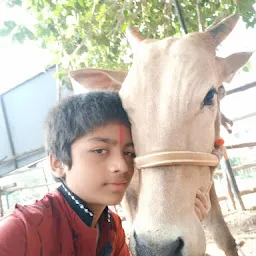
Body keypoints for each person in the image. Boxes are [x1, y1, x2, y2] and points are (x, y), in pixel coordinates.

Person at [0, 91, 210, 255]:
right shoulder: (21, 230)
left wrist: (187, 228)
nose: (122, 165)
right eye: (100, 151)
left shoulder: (111, 226)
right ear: (57, 163)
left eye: (129, 152)